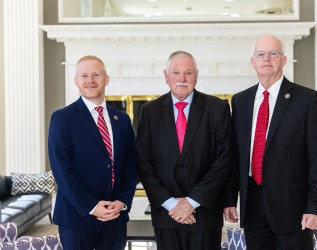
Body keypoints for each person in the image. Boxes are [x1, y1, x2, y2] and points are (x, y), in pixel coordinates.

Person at [223, 34, 317, 250]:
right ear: (252, 61)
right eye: (260, 54)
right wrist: (229, 198)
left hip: (293, 208)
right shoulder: (240, 100)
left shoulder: (307, 99)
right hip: (252, 204)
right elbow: (235, 155)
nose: (266, 59)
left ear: (283, 60)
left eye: (273, 53)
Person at [136, 51, 232, 250]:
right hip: (166, 214)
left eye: (188, 73)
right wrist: (172, 204)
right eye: (176, 72)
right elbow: (143, 163)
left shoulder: (217, 109)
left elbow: (224, 160)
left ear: (197, 75)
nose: (182, 79)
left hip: (204, 212)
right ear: (166, 76)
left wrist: (192, 201)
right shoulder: (149, 111)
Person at [48, 55, 137, 250]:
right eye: (84, 75)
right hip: (76, 218)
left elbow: (131, 167)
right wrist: (92, 206)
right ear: (76, 81)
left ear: (106, 79)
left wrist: (122, 201)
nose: (90, 80)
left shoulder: (121, 119)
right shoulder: (62, 119)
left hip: (115, 218)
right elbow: (62, 172)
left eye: (96, 74)